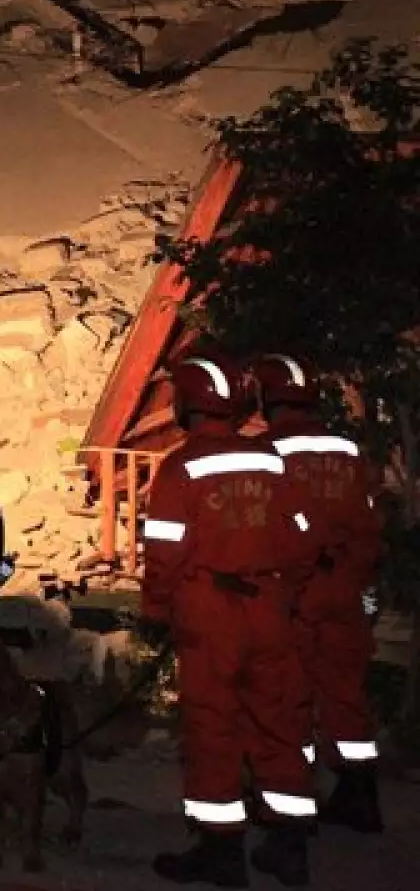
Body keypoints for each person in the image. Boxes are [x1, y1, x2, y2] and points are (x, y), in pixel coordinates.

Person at [142, 354, 317, 887]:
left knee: (212, 728)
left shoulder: (180, 467)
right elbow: (305, 537)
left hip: (211, 612)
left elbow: (165, 551)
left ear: (188, 406)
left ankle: (221, 853)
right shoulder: (271, 461)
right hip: (270, 607)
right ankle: (288, 848)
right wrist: (284, 590)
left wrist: (156, 611)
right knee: (279, 722)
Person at [254, 353, 384, 834]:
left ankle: (290, 807)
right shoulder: (348, 452)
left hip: (293, 595)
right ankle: (361, 797)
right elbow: (369, 523)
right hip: (346, 593)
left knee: (288, 700)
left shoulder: (265, 453)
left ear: (267, 399)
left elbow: (263, 531)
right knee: (346, 696)